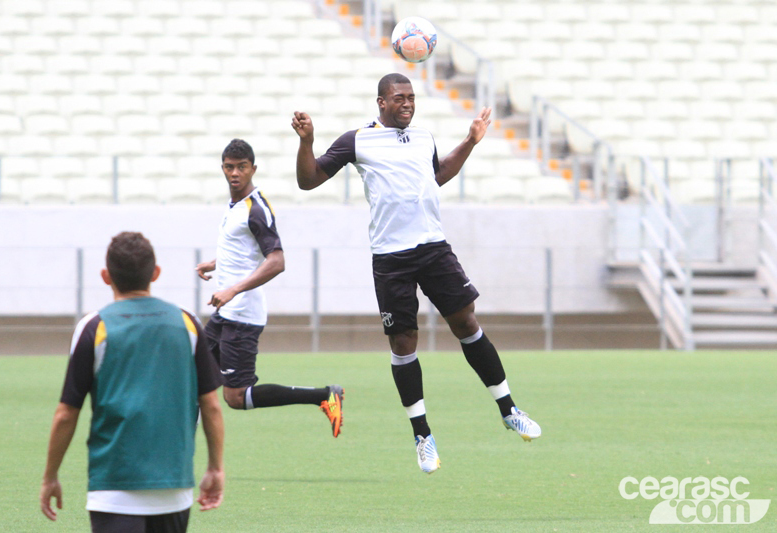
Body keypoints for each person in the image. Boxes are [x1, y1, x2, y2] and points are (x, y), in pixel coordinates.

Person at [291, 73, 541, 474]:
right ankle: (423, 436)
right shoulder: (356, 140)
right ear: (381, 102)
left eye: (411, 97)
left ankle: (509, 409)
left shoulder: (424, 138)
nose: (407, 103)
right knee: (404, 342)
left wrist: (471, 142)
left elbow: (436, 176)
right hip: (391, 258)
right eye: (399, 98)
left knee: (466, 321)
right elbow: (308, 181)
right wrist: (307, 142)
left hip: (433, 247)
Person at [40, 232, 225, 532]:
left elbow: (66, 413)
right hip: (173, 487)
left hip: (113, 488)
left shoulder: (94, 327)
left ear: (105, 276)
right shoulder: (188, 323)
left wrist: (50, 476)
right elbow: (211, 406)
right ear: (155, 273)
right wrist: (215, 468)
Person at [195, 139, 344, 437]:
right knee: (194, 374)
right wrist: (217, 263)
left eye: (241, 167)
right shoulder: (235, 205)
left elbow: (277, 261)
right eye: (229, 167)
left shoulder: (256, 209)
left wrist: (232, 289)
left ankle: (324, 395)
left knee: (236, 398)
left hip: (242, 316)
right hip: (225, 314)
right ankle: (181, 443)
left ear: (253, 169)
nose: (235, 173)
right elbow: (245, 249)